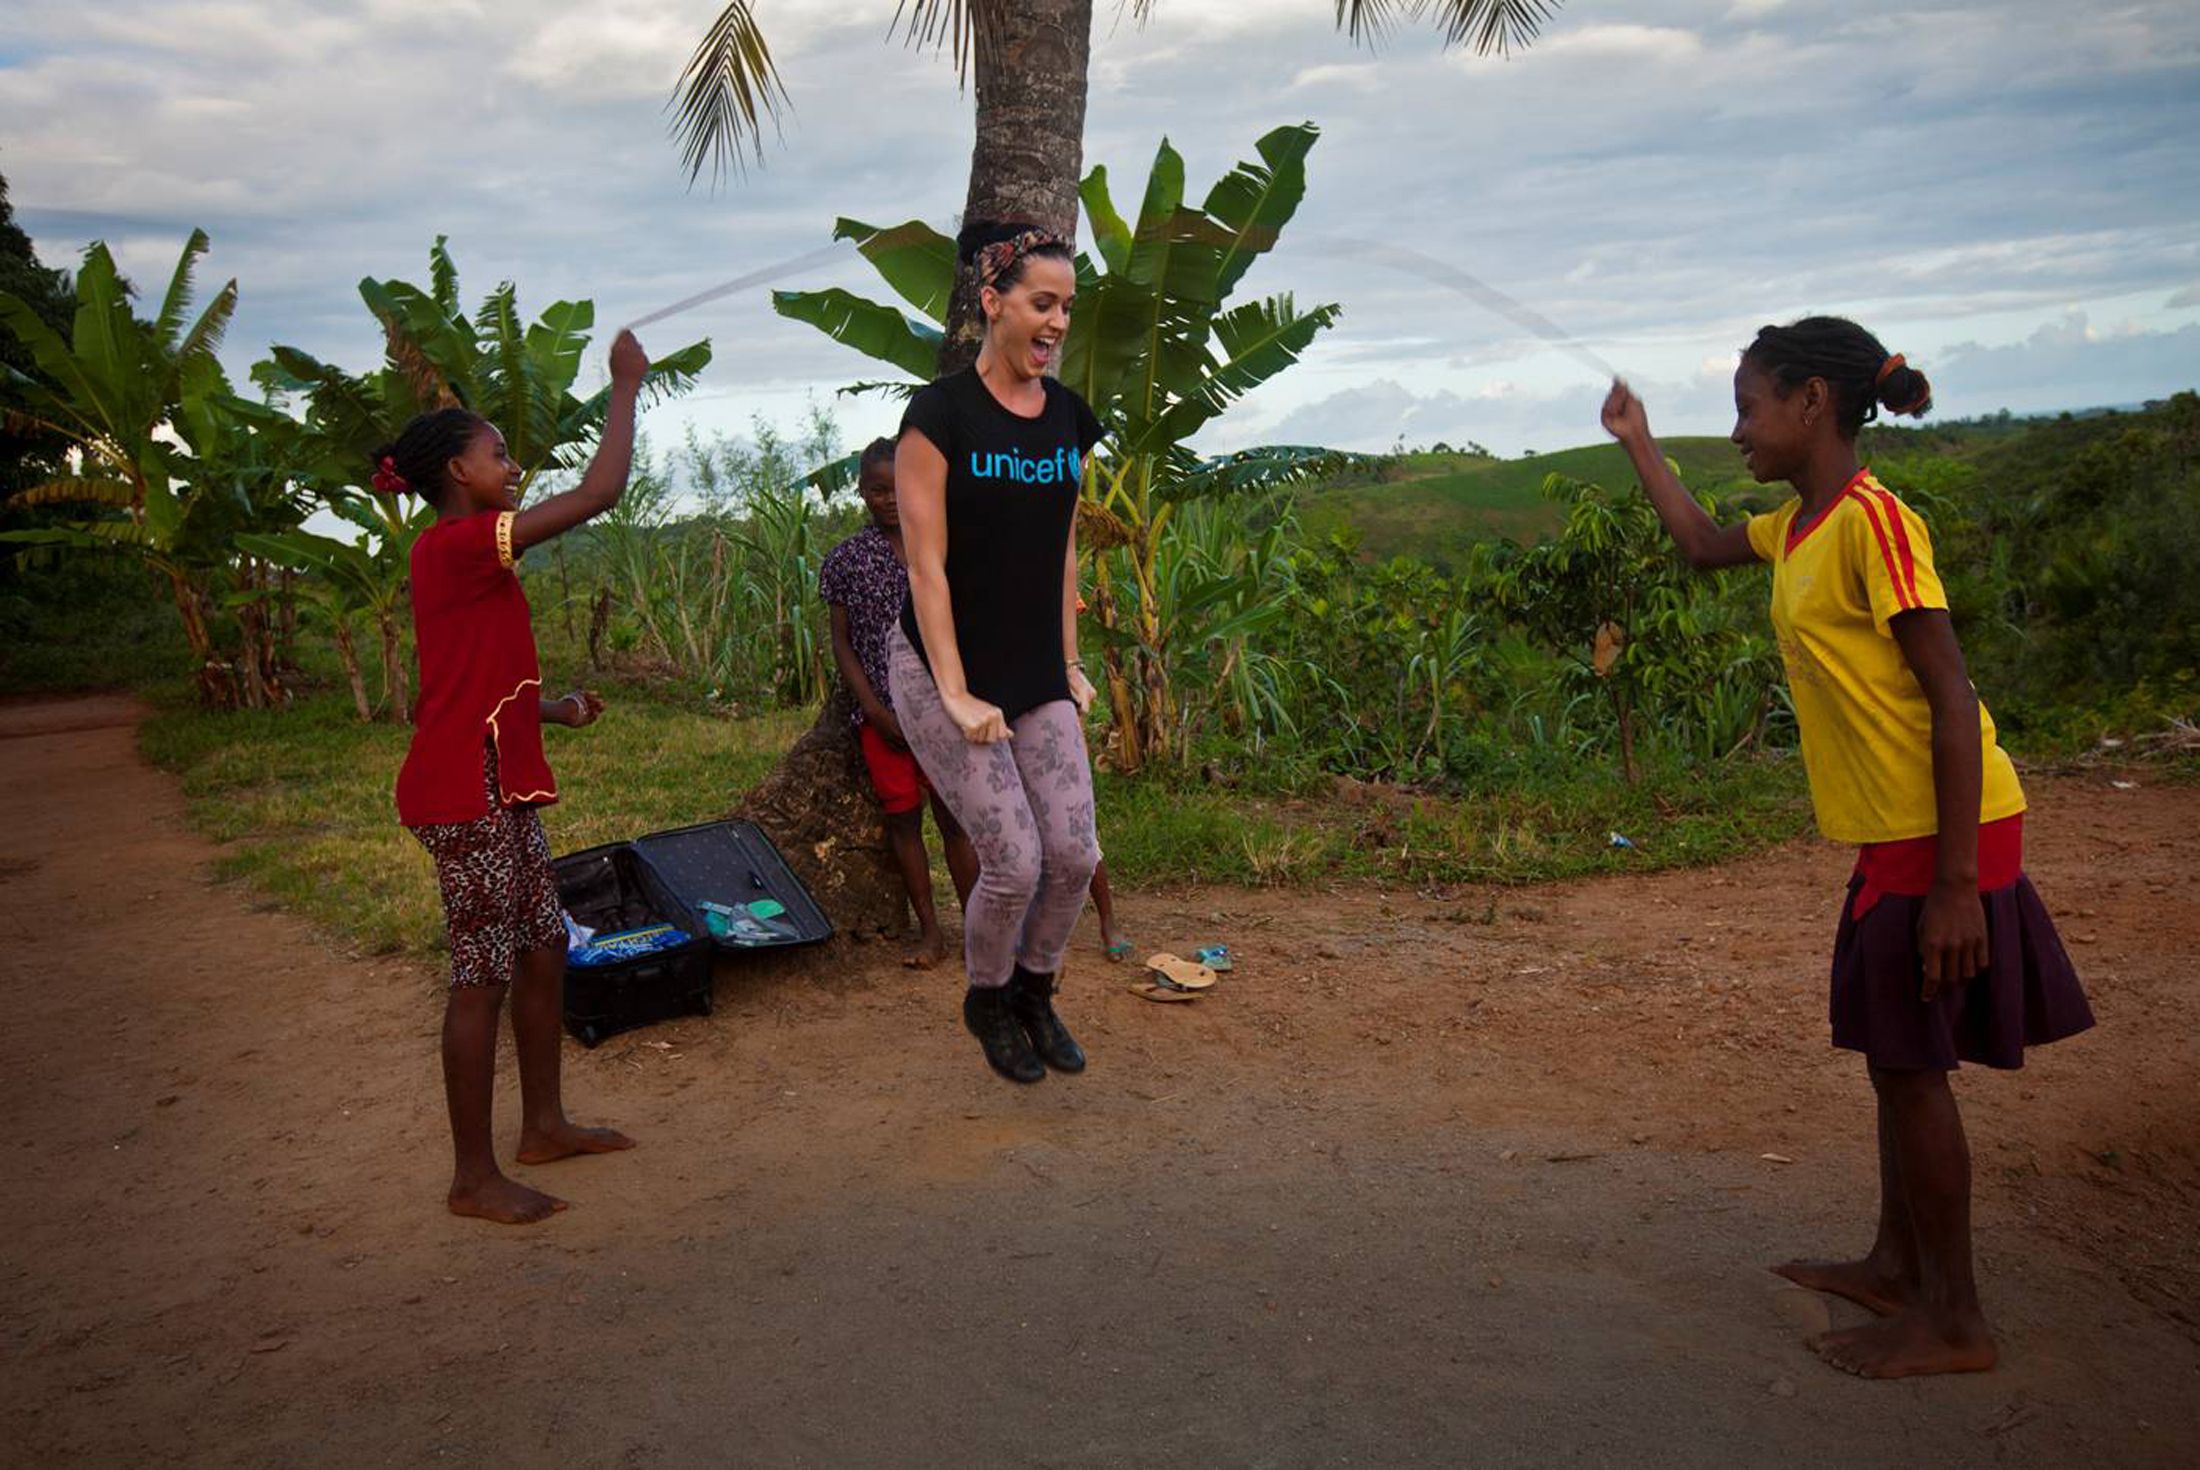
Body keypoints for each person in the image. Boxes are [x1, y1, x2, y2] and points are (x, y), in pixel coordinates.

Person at [1601, 317, 2093, 1378]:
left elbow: (1951, 698)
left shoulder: (1876, 523)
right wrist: (1637, 442)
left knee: (1914, 1070)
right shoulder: (1802, 525)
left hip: (1942, 832)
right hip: (1896, 831)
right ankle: (1889, 1263)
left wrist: (1959, 884)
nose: (1738, 431)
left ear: (1811, 404)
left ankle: (1954, 1320)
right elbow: (1697, 544)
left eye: (1747, 406)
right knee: (1893, 1056)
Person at [389, 329, 652, 1223]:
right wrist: (625, 386)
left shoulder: (463, 555)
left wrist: (548, 710)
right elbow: (602, 490)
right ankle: (472, 1178)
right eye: (497, 454)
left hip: (495, 777)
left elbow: (465, 680)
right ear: (458, 474)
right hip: (464, 796)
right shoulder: (458, 545)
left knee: (541, 948)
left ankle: (543, 1125)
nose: (510, 466)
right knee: (482, 972)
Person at [889, 222, 1106, 1084]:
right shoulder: (940, 415)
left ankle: (1034, 992)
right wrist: (954, 693)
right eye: (1041, 303)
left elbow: (1061, 548)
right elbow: (924, 564)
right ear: (993, 302)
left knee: (1076, 854)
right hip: (943, 669)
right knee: (1013, 861)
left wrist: (1070, 659)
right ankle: (986, 998)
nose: (1056, 323)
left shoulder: (1065, 418)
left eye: (1067, 308)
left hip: (1033, 669)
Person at [820, 437, 979, 967]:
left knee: (955, 822)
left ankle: (977, 928)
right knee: (904, 823)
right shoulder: (845, 560)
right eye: (876, 489)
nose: (888, 499)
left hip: (942, 709)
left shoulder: (940, 545)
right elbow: (842, 643)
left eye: (897, 488)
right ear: (862, 492)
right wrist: (873, 708)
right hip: (882, 717)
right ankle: (929, 932)